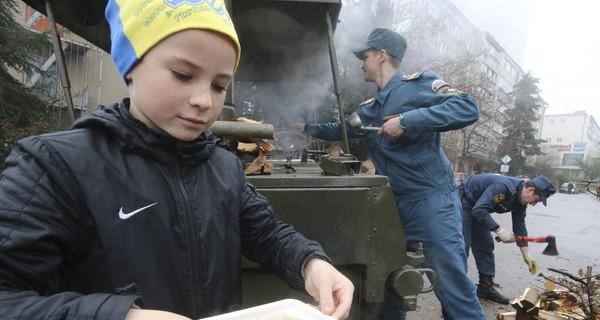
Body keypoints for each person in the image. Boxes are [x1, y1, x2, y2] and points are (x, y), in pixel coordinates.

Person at [0, 1, 354, 319]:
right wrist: (121, 316)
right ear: (131, 64)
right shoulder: (51, 166)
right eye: (183, 75)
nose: (203, 100)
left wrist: (311, 264)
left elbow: (269, 234)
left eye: (219, 85)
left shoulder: (223, 167)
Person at [296, 28, 485, 319]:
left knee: (451, 286)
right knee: (388, 286)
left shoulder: (417, 86)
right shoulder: (369, 109)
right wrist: (305, 128)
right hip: (390, 209)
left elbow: (467, 107)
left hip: (431, 203)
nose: (362, 62)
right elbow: (342, 128)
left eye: (366, 56)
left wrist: (408, 120)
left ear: (382, 56)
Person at [458, 174, 556, 304]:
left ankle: (485, 287)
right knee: (462, 245)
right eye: (536, 200)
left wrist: (526, 254)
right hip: (464, 200)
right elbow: (479, 210)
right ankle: (456, 288)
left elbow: (520, 227)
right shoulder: (504, 186)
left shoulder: (520, 202)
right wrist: (500, 231)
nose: (533, 204)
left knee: (485, 245)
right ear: (530, 190)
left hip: (478, 208)